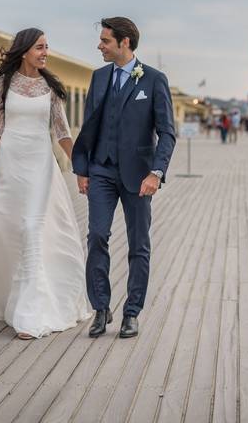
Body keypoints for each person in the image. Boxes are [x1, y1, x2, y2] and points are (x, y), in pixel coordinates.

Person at [0, 28, 91, 340]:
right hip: (9, 165)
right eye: (40, 47)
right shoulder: (4, 83)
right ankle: (0, 298)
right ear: (25, 50)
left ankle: (30, 313)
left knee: (32, 228)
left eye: (47, 47)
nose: (45, 52)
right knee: (9, 227)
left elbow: (63, 132)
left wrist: (82, 166)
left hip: (41, 165)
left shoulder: (52, 86)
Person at [72, 17, 176, 339]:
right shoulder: (99, 77)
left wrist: (156, 173)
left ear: (124, 43)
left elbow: (167, 133)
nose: (99, 46)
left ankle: (132, 312)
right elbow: (90, 126)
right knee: (97, 236)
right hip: (101, 169)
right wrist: (83, 168)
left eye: (105, 41)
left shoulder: (154, 80)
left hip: (138, 175)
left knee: (138, 244)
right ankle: (101, 309)